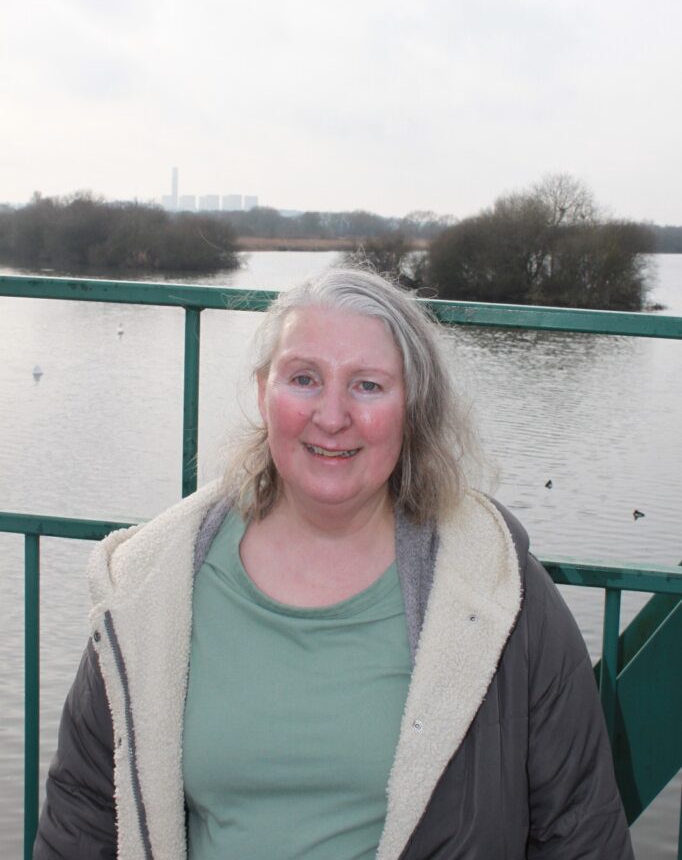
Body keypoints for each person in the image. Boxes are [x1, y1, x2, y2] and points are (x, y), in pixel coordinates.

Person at [34, 267, 634, 860]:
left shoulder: (501, 592)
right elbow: (84, 814)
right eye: (304, 378)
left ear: (412, 408)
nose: (331, 415)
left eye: (368, 385)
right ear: (264, 391)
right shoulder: (153, 585)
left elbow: (580, 833)